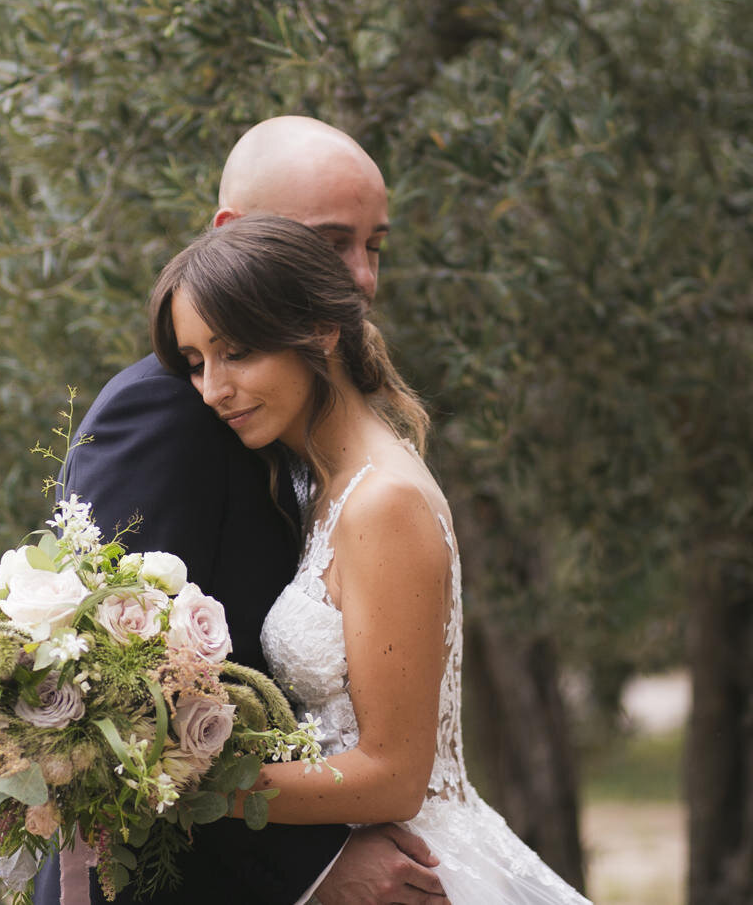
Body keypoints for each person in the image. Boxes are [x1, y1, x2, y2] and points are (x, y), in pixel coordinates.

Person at [33, 117, 447, 905]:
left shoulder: (326, 446)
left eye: (374, 245)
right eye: (330, 245)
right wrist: (318, 867)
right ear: (237, 233)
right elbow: (115, 709)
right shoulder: (171, 412)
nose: (359, 277)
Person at [147, 216, 591, 905]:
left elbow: (393, 773)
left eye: (236, 352)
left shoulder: (384, 500)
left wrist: (184, 782)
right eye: (197, 361)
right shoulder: (315, 483)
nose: (212, 389)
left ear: (321, 331)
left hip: (414, 869)